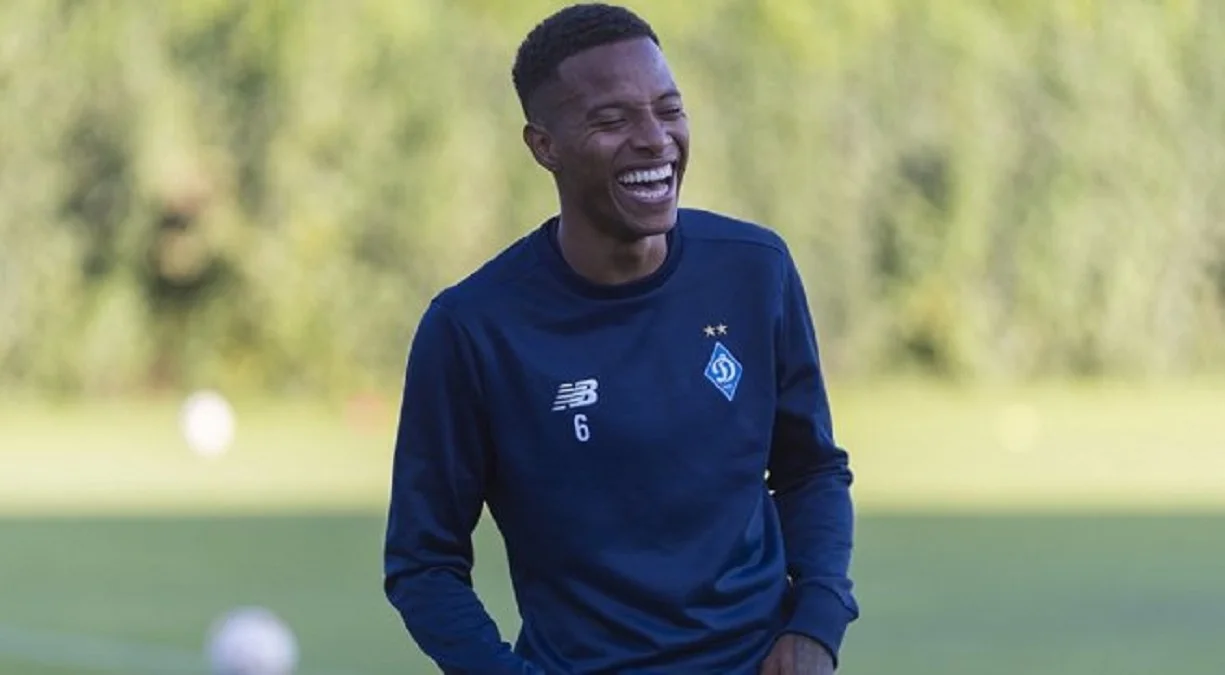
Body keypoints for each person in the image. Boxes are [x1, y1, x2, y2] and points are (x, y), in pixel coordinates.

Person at [382, 3, 858, 674]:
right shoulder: (472, 329)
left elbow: (809, 469)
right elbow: (423, 563)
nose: (655, 139)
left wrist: (815, 624)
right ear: (543, 145)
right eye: (612, 120)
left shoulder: (755, 269)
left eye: (669, 110)